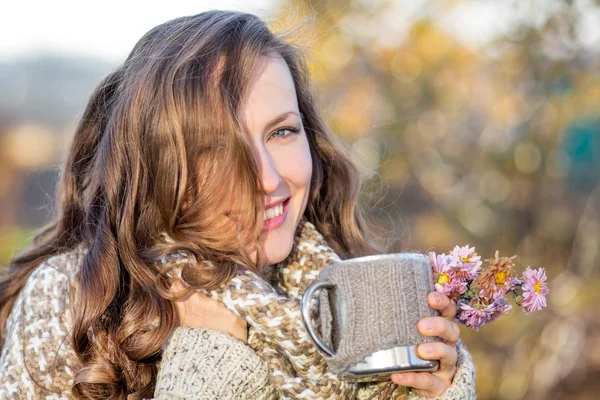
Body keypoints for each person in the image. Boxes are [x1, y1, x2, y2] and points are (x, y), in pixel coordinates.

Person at [0, 10, 476, 400]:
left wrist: (441, 393)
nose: (268, 179)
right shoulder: (73, 305)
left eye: (282, 132)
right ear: (155, 166)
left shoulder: (342, 289)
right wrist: (208, 369)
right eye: (219, 149)